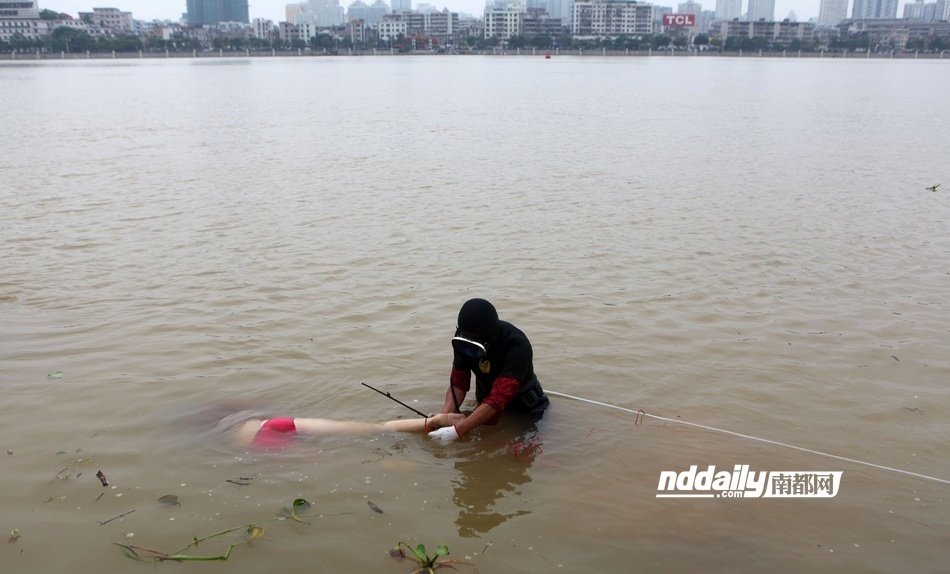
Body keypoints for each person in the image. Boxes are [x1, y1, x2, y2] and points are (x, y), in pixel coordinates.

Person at [429, 298, 549, 441]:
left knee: (518, 456)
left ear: (489, 338)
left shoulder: (516, 345)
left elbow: (498, 398)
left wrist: (457, 430)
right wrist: (442, 418)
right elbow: (458, 383)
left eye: (475, 343)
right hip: (486, 403)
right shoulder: (463, 341)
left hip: (524, 411)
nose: (469, 349)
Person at [233, 412, 466, 448]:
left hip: (263, 440)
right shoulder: (238, 421)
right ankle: (435, 420)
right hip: (269, 424)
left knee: (374, 433)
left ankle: (438, 420)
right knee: (376, 429)